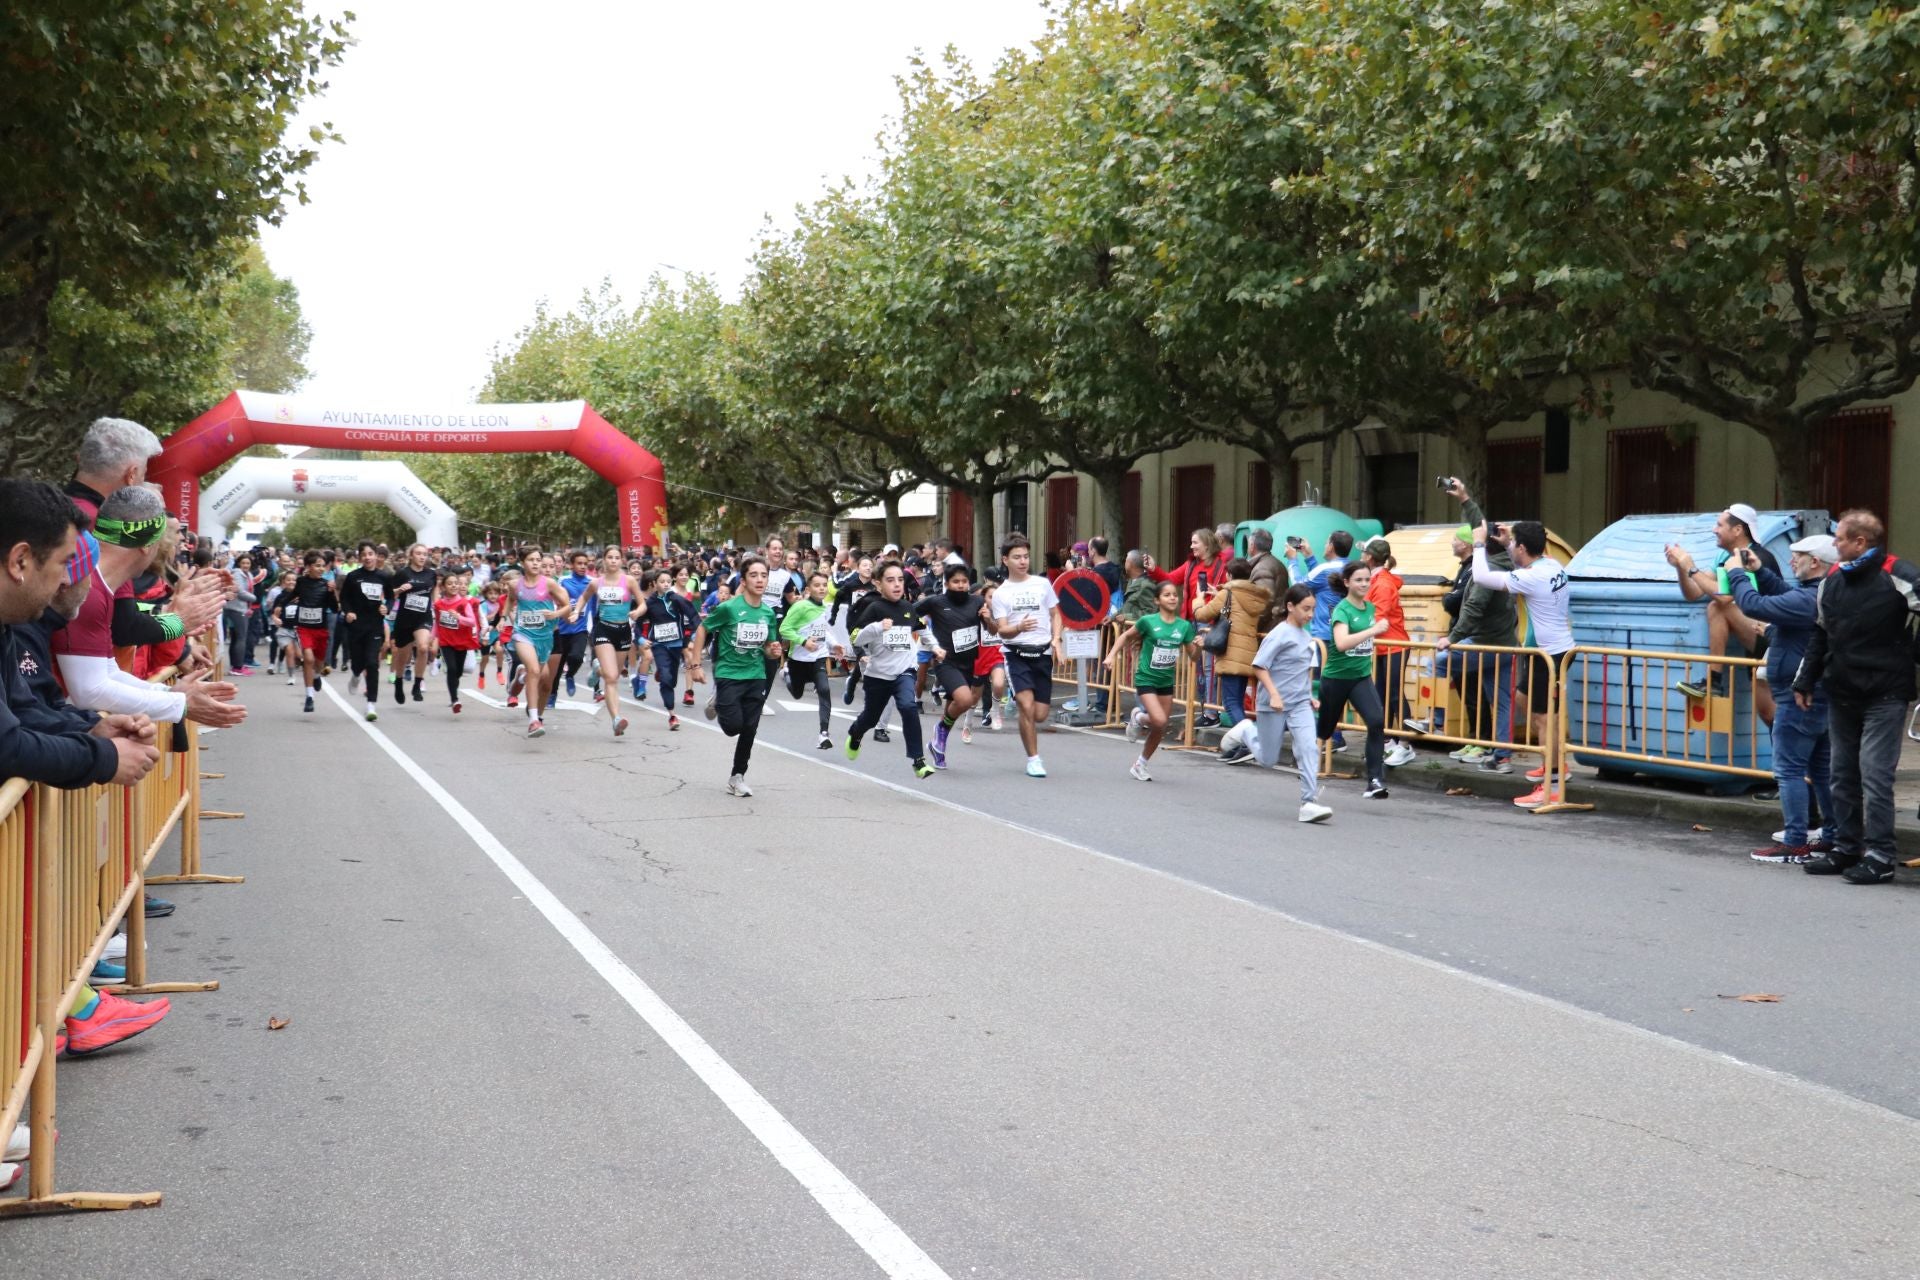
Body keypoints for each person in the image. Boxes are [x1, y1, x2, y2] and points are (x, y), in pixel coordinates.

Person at [48, 486, 248, 733]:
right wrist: (180, 704)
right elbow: (90, 690)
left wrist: (170, 692)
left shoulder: (102, 583)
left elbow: (109, 671)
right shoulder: (89, 586)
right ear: (147, 546)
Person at [1793, 509, 1920, 885]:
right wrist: (1805, 680)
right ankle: (1847, 849)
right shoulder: (1832, 579)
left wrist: (1914, 654)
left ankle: (1880, 857)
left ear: (1860, 543)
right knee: (1841, 776)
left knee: (1875, 776)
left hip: (1886, 694)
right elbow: (1820, 633)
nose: (1834, 544)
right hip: (1842, 691)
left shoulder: (1899, 573)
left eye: (1841, 538)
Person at [1731, 534, 1840, 863]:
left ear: (1816, 562)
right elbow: (1786, 598)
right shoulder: (1818, 595)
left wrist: (1737, 573)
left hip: (1799, 697)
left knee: (1789, 769)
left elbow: (1753, 604)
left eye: (1798, 556)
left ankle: (1795, 841)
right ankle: (1833, 835)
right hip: (1818, 694)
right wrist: (1761, 572)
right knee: (1821, 770)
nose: (1792, 561)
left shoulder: (1807, 600)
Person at [1469, 509, 1576, 809]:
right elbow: (1524, 562)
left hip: (1551, 656)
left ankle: (1552, 785)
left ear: (1523, 549)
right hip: (1548, 651)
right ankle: (1554, 766)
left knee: (1544, 719)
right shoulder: (1551, 564)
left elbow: (1482, 576)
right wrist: (1506, 544)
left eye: (1514, 542)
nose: (1511, 544)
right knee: (1521, 698)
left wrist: (1480, 544)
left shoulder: (1531, 577)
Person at [1223, 585, 1332, 822]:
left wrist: (1309, 695)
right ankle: (1245, 730)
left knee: (1309, 749)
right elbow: (1259, 666)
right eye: (1306, 609)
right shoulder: (1278, 634)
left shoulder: (1307, 637)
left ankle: (1308, 803)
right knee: (1268, 759)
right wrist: (1273, 694)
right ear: (1290, 607)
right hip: (1272, 704)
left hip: (1299, 704)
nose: (1310, 615)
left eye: (1313, 609)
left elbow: (1302, 672)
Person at [1667, 503, 1780, 716]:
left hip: (1773, 637)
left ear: (1737, 530)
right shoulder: (1725, 558)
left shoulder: (1754, 557)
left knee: (1718, 606)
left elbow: (1724, 596)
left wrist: (1690, 566)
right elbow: (1694, 592)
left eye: (1719, 525)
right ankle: (1714, 683)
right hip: (1756, 637)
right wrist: (1681, 569)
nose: (1714, 530)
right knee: (1767, 714)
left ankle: (1714, 682)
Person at [688, 554, 785, 796]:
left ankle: (737, 776)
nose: (760, 580)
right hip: (729, 674)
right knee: (733, 727)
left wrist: (773, 651)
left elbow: (769, 649)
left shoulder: (767, 613)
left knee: (750, 729)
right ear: (744, 580)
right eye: (754, 575)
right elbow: (702, 629)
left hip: (756, 674)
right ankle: (719, 701)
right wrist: (696, 665)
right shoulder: (729, 608)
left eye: (764, 575)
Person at [842, 561, 933, 778]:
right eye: (890, 580)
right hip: (878, 674)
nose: (897, 584)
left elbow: (923, 630)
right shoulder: (874, 608)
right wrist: (876, 628)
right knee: (871, 718)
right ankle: (855, 734)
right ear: (878, 584)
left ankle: (918, 760)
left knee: (909, 706)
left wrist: (937, 648)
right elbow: (855, 636)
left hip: (904, 670)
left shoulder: (909, 608)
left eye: (900, 580)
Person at [986, 534, 1064, 778]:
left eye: (1026, 557)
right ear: (1005, 560)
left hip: (1043, 653)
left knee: (1040, 714)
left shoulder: (1042, 584)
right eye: (1017, 557)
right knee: (1027, 708)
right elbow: (1002, 630)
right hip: (1016, 654)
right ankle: (1034, 759)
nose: (1022, 561)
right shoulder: (1001, 593)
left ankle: (1016, 700)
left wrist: (1057, 640)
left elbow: (1056, 614)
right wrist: (1019, 628)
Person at [1109, 579, 1198, 781]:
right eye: (1167, 595)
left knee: (1161, 726)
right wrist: (1111, 655)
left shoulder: (1183, 626)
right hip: (1146, 678)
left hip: (1166, 681)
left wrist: (1198, 646)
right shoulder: (1148, 621)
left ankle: (1140, 764)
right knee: (1158, 719)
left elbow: (1194, 657)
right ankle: (1138, 717)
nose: (1172, 598)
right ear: (1157, 600)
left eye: (1175, 594)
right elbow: (1125, 637)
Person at [1319, 567, 1391, 799]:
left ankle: (1375, 781)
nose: (1364, 584)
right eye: (1358, 580)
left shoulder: (1369, 607)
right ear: (1347, 583)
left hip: (1360, 677)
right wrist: (1373, 630)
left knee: (1377, 721)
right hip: (1336, 678)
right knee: (1325, 730)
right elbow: (1341, 643)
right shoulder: (1342, 609)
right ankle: (1307, 765)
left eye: (1367, 580)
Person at [914, 562, 990, 770]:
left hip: (968, 662)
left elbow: (991, 629)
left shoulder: (977, 602)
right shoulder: (936, 602)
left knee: (951, 710)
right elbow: (911, 614)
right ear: (947, 583)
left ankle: (938, 748)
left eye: (964, 581)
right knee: (965, 700)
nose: (961, 585)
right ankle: (939, 731)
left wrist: (987, 617)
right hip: (945, 661)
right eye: (956, 582)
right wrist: (929, 640)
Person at [508, 548, 580, 738]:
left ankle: (522, 683)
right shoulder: (515, 585)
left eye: (539, 560)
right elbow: (510, 601)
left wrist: (556, 614)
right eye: (531, 560)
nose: (536, 564)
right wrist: (505, 617)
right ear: (523, 562)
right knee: (534, 670)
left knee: (546, 682)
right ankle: (533, 720)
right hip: (523, 634)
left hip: (548, 636)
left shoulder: (552, 585)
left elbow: (567, 606)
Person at [1193, 556, 1270, 731]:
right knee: (1237, 702)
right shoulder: (1254, 596)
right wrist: (1219, 594)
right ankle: (1242, 744)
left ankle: (1249, 742)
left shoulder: (1227, 594)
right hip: (1248, 653)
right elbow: (1233, 611)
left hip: (1231, 653)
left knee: (1230, 703)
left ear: (1228, 575)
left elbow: (1203, 615)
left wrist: (1198, 599)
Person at [1360, 538, 1418, 768]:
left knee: (1393, 694)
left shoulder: (1382, 583)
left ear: (1370, 558)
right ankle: (1387, 741)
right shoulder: (1376, 580)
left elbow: (1378, 614)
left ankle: (1404, 744)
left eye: (1364, 553)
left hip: (1394, 645)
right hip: (1385, 646)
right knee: (1382, 694)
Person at [587, 546, 645, 737]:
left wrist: (637, 611)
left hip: (623, 631)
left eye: (616, 557)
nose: (613, 560)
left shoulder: (628, 581)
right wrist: (576, 611)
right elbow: (583, 599)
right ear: (604, 560)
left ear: (622, 561)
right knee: (611, 678)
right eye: (609, 557)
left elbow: (643, 602)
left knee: (615, 675)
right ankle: (616, 719)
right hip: (603, 629)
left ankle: (598, 668)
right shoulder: (597, 583)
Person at [274, 551, 338, 712]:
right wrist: (280, 606)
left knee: (319, 662)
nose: (321, 569)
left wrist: (333, 592)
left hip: (320, 629)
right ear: (309, 567)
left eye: (323, 566)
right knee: (308, 658)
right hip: (304, 628)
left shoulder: (326, 584)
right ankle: (309, 696)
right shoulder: (301, 582)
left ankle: (317, 676)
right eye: (317, 566)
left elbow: (334, 608)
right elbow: (290, 595)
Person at [338, 541, 393, 720]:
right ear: (360, 557)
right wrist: (348, 612)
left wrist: (387, 608)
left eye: (371, 554)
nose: (368, 557)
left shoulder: (384, 576)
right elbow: (344, 599)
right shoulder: (353, 577)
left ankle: (371, 704)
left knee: (372, 663)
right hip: (356, 626)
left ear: (376, 556)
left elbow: (391, 598)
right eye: (364, 554)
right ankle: (355, 675)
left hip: (375, 625)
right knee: (358, 663)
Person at [780, 571, 836, 749]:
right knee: (797, 694)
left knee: (824, 690)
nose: (821, 588)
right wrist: (803, 642)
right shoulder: (800, 607)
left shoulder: (825, 607)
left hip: (818, 657)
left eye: (824, 584)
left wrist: (835, 645)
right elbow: (784, 629)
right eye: (817, 585)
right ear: (808, 589)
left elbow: (822, 630)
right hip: (798, 659)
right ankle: (786, 674)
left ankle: (824, 734)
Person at [642, 568, 699, 730]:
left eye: (668, 581)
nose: (666, 584)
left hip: (676, 645)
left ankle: (663, 671)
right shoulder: (650, 603)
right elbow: (639, 622)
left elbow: (693, 614)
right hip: (659, 645)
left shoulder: (677, 599)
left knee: (671, 680)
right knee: (666, 679)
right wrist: (640, 638)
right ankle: (672, 715)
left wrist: (697, 634)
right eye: (662, 582)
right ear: (655, 584)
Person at [388, 544, 439, 705]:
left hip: (423, 617)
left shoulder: (431, 574)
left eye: (424, 554)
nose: (422, 557)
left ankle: (417, 684)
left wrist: (437, 609)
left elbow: (434, 592)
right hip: (404, 618)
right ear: (411, 556)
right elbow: (389, 594)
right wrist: (399, 590)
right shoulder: (403, 573)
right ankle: (399, 681)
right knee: (403, 655)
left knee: (423, 647)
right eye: (418, 554)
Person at [431, 570, 483, 714]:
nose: (454, 586)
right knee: (452, 669)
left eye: (456, 583)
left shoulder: (463, 603)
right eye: (450, 583)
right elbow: (437, 624)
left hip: (461, 641)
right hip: (446, 641)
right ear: (443, 587)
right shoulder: (439, 605)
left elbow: (472, 622)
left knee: (458, 671)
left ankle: (453, 688)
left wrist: (459, 617)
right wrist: (432, 638)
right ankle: (455, 699)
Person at [552, 549, 596, 702]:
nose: (583, 566)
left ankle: (570, 674)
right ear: (571, 565)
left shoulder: (591, 582)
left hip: (581, 628)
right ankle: (552, 695)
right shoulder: (563, 580)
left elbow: (596, 604)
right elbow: (556, 601)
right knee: (557, 667)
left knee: (576, 657)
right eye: (579, 564)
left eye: (585, 564)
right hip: (562, 628)